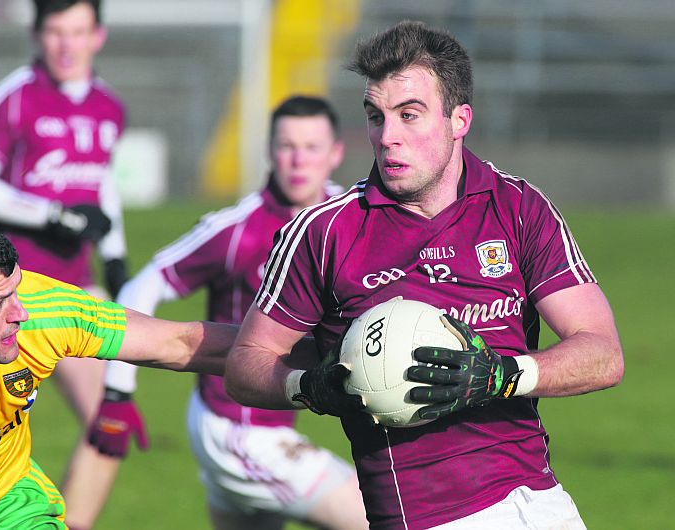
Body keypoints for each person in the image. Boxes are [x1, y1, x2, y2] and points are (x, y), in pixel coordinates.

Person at [224, 20, 624, 530]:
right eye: (375, 116)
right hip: (427, 518)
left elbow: (603, 353)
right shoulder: (324, 232)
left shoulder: (519, 207)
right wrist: (310, 386)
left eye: (408, 115)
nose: (388, 137)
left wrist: (504, 375)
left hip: (543, 504)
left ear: (459, 119)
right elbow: (246, 362)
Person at [91, 96, 368, 530]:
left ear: (335, 153)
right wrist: (117, 393)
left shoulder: (351, 215)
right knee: (382, 517)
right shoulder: (237, 229)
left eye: (312, 148)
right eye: (286, 146)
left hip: (273, 415)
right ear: (269, 151)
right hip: (238, 429)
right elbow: (141, 286)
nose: (298, 160)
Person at [0, 210, 239, 530]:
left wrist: (287, 355)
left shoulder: (43, 309)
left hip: (11, 505)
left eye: (15, 290)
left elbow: (179, 343)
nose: (20, 312)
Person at [0, 1, 141, 528]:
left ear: (97, 35)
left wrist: (115, 256)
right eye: (55, 32)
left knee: (112, 421)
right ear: (37, 34)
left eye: (78, 31)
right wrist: (50, 215)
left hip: (72, 289)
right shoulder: (14, 96)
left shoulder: (109, 106)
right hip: (5, 294)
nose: (67, 44)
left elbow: (100, 185)